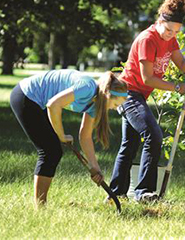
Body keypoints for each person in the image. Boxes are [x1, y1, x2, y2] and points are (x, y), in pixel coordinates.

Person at [109, 0, 185, 202]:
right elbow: (147, 79)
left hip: (138, 96)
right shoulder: (148, 39)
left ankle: (115, 193)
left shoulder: (169, 41)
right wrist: (178, 88)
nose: (171, 34)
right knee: (153, 135)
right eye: (169, 29)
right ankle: (143, 192)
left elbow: (182, 66)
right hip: (128, 94)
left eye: (176, 31)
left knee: (130, 144)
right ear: (160, 21)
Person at [10, 69, 127, 206]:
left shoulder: (96, 104)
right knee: (51, 151)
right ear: (108, 95)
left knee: (52, 151)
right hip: (26, 95)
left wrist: (95, 168)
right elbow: (53, 105)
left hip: (38, 102)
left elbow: (85, 136)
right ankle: (40, 207)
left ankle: (40, 204)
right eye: (116, 104)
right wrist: (61, 135)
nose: (115, 108)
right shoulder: (87, 87)